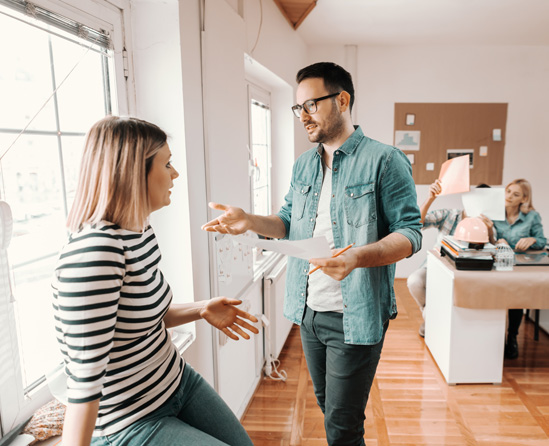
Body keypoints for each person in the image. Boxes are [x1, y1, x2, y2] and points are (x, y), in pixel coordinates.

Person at [202, 62, 422, 445]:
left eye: (311, 104)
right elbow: (288, 221)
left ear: (342, 99)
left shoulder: (385, 160)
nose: (302, 115)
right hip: (308, 311)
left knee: (341, 426)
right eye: (297, 107)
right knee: (330, 408)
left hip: (356, 315)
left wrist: (356, 257)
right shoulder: (304, 164)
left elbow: (410, 233)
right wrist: (249, 221)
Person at [52, 116, 258, 446]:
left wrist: (202, 308)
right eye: (168, 163)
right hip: (129, 420)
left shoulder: (140, 232)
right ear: (134, 172)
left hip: (175, 381)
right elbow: (84, 381)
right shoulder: (95, 253)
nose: (175, 173)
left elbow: (144, 316)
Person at [407, 180, 492, 336]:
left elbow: (492, 251)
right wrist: (430, 198)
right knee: (414, 281)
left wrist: (490, 230)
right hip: (436, 267)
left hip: (465, 275)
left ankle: (434, 319)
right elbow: (417, 224)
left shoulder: (488, 223)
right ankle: (429, 314)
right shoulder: (450, 215)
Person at [484, 178, 546, 359]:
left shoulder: (532, 216)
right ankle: (491, 337)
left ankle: (512, 337)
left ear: (524, 199)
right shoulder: (493, 213)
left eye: (516, 194)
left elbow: (543, 241)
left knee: (516, 296)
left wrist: (532, 240)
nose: (509, 196)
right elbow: (487, 241)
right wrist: (494, 238)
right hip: (497, 265)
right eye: (508, 191)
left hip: (519, 267)